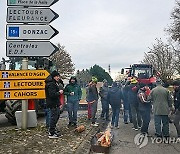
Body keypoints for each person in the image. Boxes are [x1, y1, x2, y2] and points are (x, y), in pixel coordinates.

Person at [45, 70, 63, 138]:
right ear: (53, 77)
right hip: (52, 103)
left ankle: (53, 130)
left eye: (58, 76)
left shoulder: (54, 83)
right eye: (57, 76)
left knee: (56, 116)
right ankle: (51, 133)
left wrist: (59, 103)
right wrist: (59, 92)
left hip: (55, 103)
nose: (58, 78)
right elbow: (52, 95)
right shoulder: (51, 84)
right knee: (53, 118)